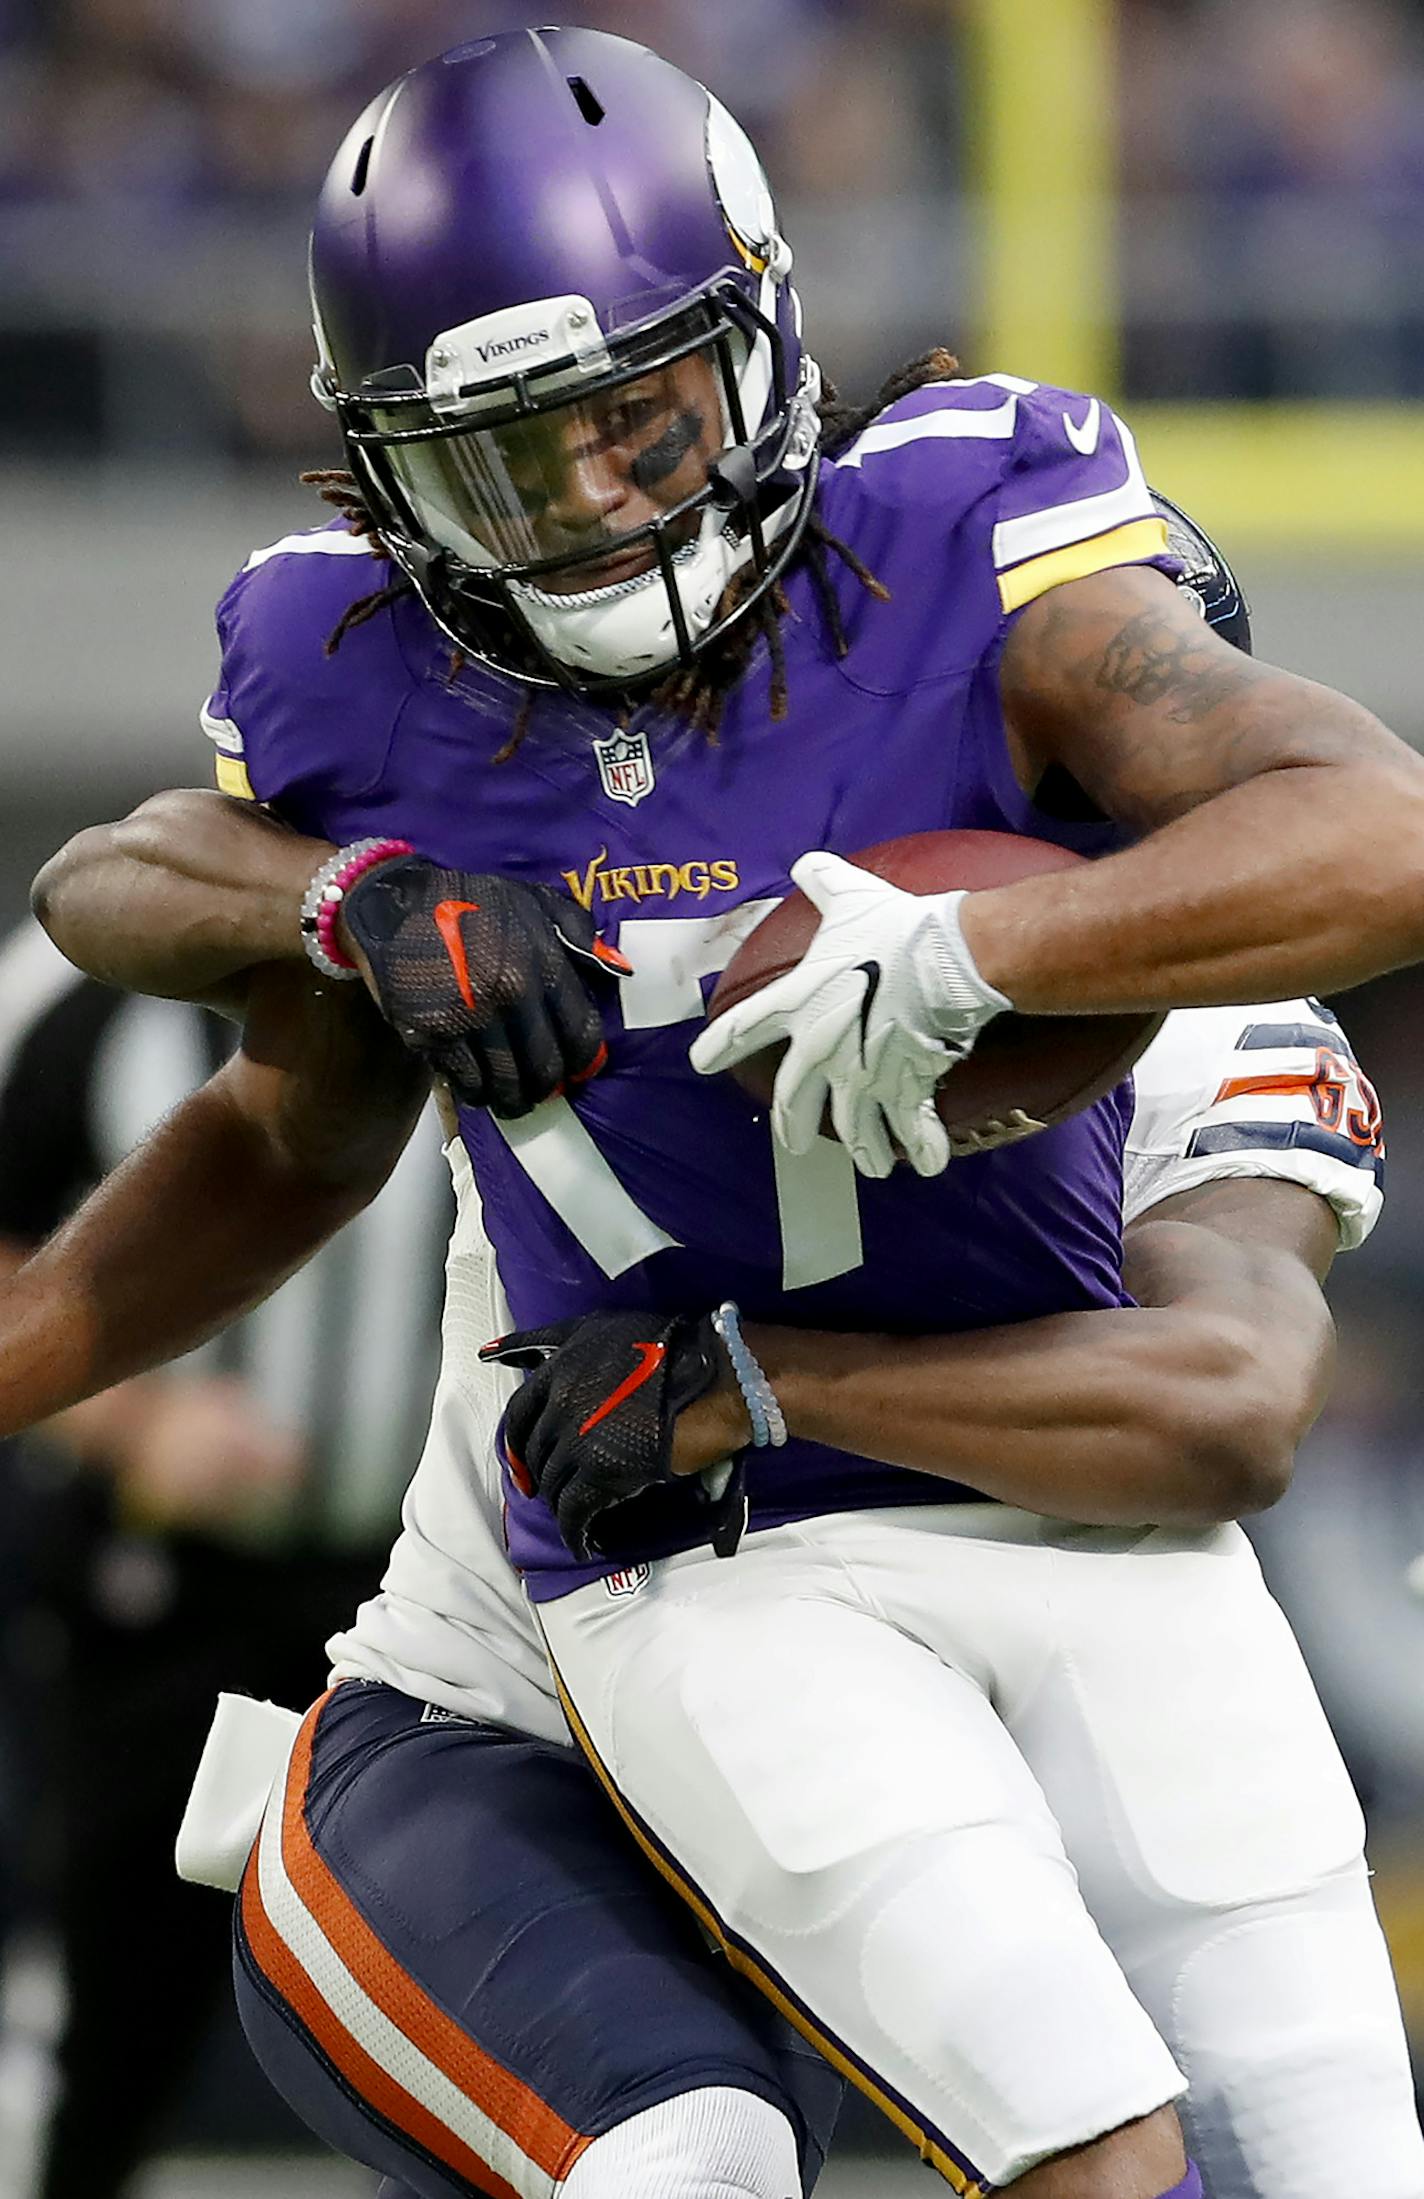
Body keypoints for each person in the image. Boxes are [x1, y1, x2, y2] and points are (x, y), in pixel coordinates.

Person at [25, 23, 1424, 2194]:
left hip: (933, 1508)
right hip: (637, 1581)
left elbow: (1235, 1372)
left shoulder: (1149, 887)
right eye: (507, 461)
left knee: (1320, 2142)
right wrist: (350, 893)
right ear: (387, 476)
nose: (590, 504)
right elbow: (149, 928)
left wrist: (979, 963)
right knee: (848, 2156)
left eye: (637, 422)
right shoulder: (361, 680)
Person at [0, 917, 451, 2199]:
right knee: (120, 1988)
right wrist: (138, 1418)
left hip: (433, 1587)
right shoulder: (77, 993)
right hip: (166, 1587)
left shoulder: (486, 964)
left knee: (458, 1984)